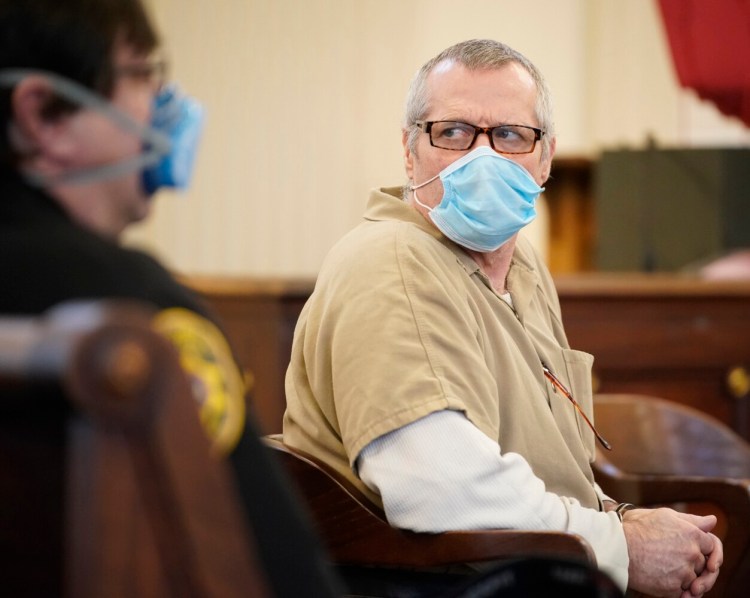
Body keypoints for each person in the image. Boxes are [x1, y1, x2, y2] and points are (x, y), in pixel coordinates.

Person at [283, 38, 723, 597]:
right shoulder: (391, 261)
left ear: (546, 158)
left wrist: (625, 517)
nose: (482, 157)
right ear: (409, 148)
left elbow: (548, 464)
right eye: (454, 132)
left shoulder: (522, 267)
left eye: (510, 135)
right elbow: (443, 489)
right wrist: (622, 547)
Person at [0, 1, 340, 596]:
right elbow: (277, 566)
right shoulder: (123, 298)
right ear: (42, 115)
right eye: (140, 73)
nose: (165, 100)